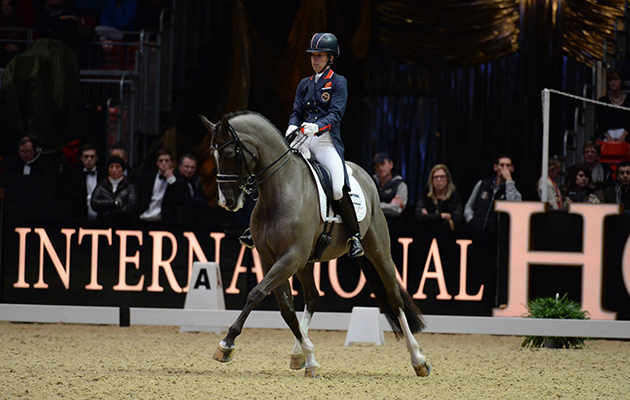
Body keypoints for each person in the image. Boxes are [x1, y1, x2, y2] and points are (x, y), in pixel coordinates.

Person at [241, 33, 363, 258]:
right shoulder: (304, 84)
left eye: (320, 56)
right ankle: (255, 228)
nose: (315, 60)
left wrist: (317, 127)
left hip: (326, 142)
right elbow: (297, 111)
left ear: (330, 58)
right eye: (313, 56)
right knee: (275, 173)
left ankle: (354, 236)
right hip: (302, 140)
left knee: (337, 187)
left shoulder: (338, 82)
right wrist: (292, 126)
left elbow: (336, 114)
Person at [464, 154, 522, 232]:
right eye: (502, 165)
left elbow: (515, 210)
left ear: (512, 169)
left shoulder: (513, 192)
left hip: (497, 236)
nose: (504, 169)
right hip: (476, 231)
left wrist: (509, 180)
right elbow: (469, 205)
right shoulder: (482, 184)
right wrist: (470, 220)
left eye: (508, 166)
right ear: (495, 167)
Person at [415, 164, 463, 231]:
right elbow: (419, 217)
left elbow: (456, 220)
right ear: (431, 180)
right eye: (436, 177)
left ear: (447, 179)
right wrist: (442, 216)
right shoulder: (426, 194)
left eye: (442, 177)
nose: (439, 180)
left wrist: (429, 218)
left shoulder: (454, 196)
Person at [162, 153, 207, 222]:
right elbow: (180, 199)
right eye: (186, 167)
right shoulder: (173, 179)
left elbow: (204, 202)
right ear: (180, 166)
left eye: (192, 168)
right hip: (174, 221)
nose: (189, 170)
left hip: (193, 221)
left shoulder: (196, 180)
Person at [90, 155, 137, 219]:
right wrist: (115, 203)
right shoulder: (102, 185)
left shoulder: (129, 186)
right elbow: (94, 203)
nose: (114, 170)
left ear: (123, 169)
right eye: (111, 167)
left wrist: (110, 212)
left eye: (117, 167)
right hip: (104, 222)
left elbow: (131, 205)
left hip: (124, 222)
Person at [137, 148, 177, 221]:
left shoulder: (176, 180)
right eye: (161, 161)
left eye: (167, 161)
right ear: (157, 163)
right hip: (144, 218)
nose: (164, 164)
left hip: (163, 221)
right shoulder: (147, 178)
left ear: (172, 163)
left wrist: (171, 179)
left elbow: (179, 198)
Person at [371, 152, 407, 225]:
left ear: (391, 165)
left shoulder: (400, 184)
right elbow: (366, 206)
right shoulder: (371, 182)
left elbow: (397, 210)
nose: (380, 168)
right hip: (374, 226)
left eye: (383, 164)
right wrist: (389, 205)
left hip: (394, 227)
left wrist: (375, 206)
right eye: (377, 165)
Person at [68, 143, 103, 219]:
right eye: (86, 157)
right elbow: (72, 196)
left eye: (92, 157)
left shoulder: (103, 176)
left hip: (101, 218)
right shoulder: (75, 176)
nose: (89, 160)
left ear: (96, 158)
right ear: (81, 158)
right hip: (81, 217)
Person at [596, 68, 630, 142]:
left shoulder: (629, 101)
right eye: (610, 81)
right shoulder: (603, 101)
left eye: (616, 80)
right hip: (607, 136)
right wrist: (609, 138)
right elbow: (600, 123)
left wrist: (622, 137)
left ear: (621, 82)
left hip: (626, 136)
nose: (613, 82)